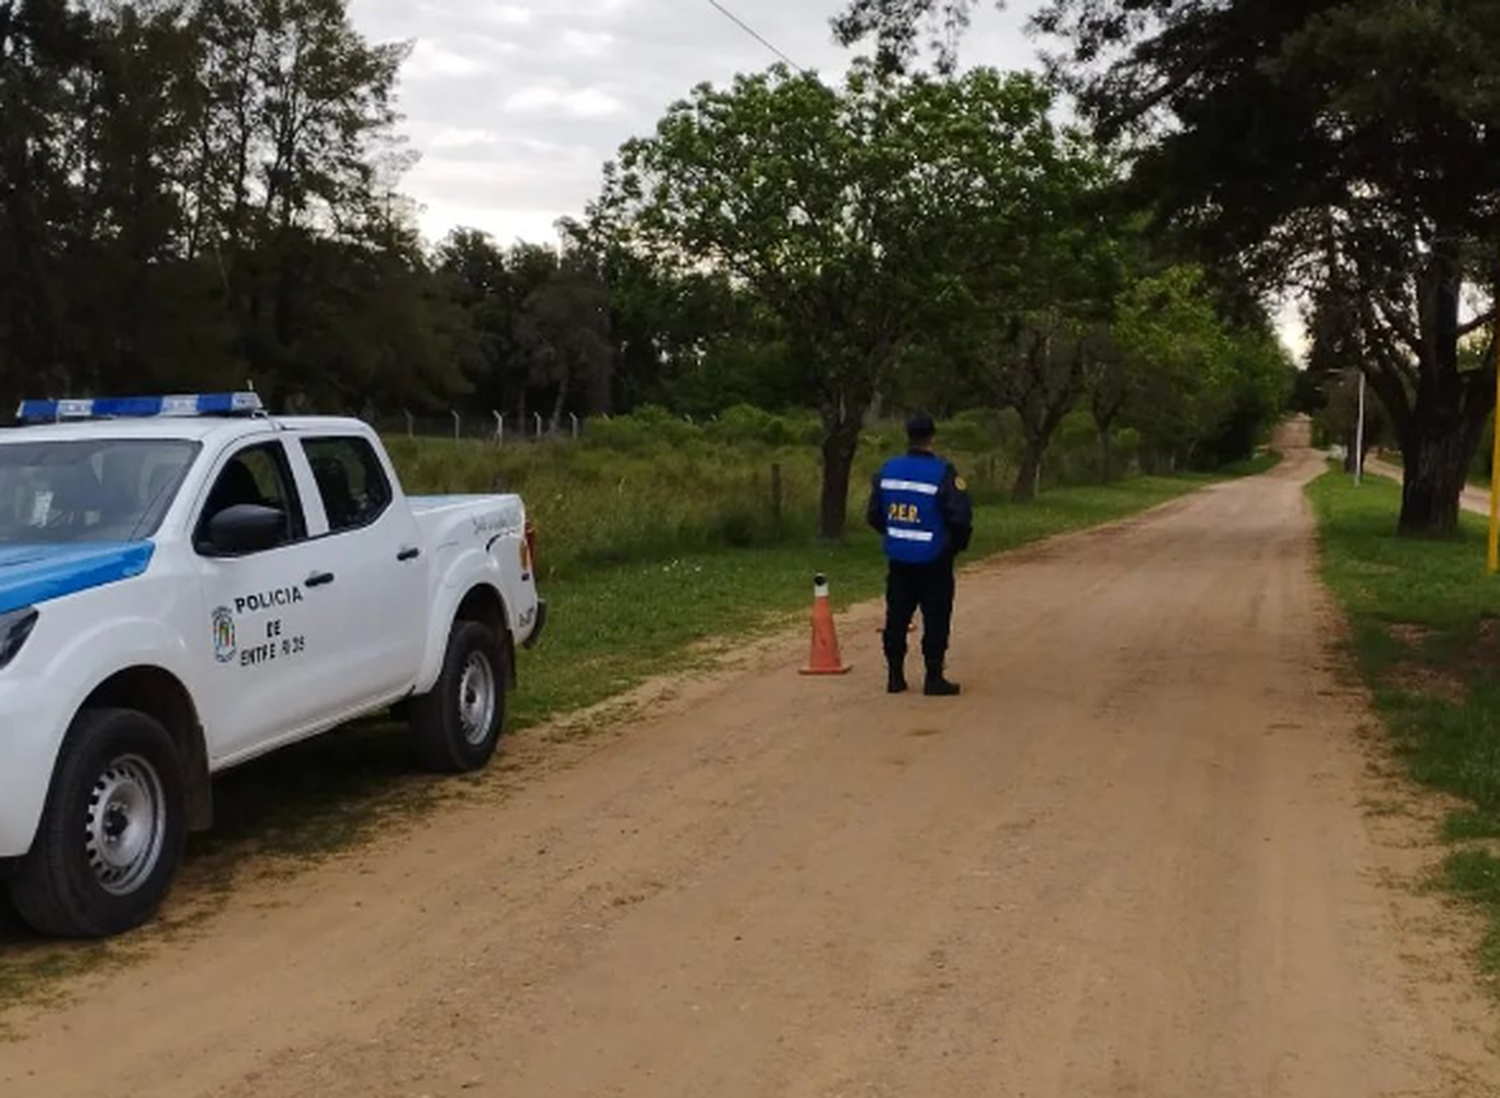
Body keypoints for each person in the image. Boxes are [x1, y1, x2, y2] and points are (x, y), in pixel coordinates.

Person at [866, 413, 973, 696]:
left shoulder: (888, 469)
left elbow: (874, 515)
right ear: (932, 437)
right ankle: (934, 677)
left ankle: (895, 676)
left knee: (897, 614)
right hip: (934, 558)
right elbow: (960, 517)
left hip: (899, 556)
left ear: (907, 435)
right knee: (936, 615)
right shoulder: (942, 472)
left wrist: (895, 533)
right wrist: (956, 546)